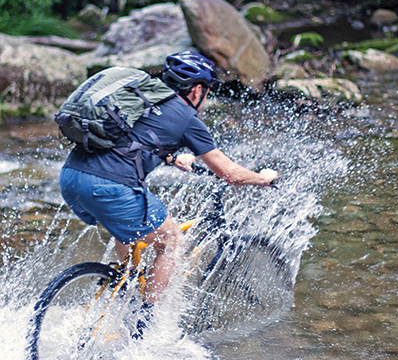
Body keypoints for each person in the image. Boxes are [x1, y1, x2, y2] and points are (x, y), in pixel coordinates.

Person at [59, 51, 278, 313]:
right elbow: (229, 173)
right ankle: (145, 323)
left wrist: (172, 158)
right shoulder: (187, 118)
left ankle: (123, 290)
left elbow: (131, 138)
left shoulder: (143, 99)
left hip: (70, 178)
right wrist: (262, 178)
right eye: (206, 92)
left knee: (128, 227)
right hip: (109, 188)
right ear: (197, 90)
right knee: (171, 241)